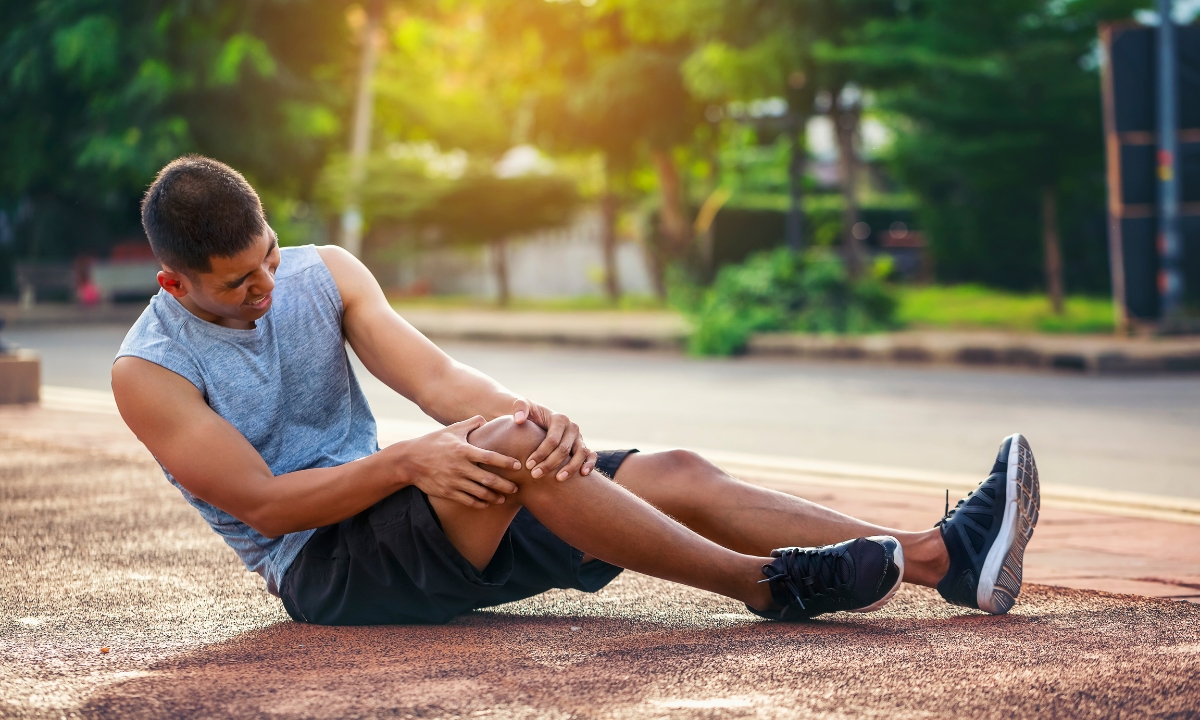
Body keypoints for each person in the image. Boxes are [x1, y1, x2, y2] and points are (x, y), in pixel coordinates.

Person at [112, 156, 1040, 626]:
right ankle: (765, 587)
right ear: (176, 283)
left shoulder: (328, 273)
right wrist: (409, 463)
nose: (267, 287)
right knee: (507, 451)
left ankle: (941, 562)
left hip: (428, 512)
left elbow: (438, 380)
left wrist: (533, 417)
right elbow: (268, 509)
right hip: (329, 570)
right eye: (239, 283)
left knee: (665, 467)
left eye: (269, 257)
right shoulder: (148, 371)